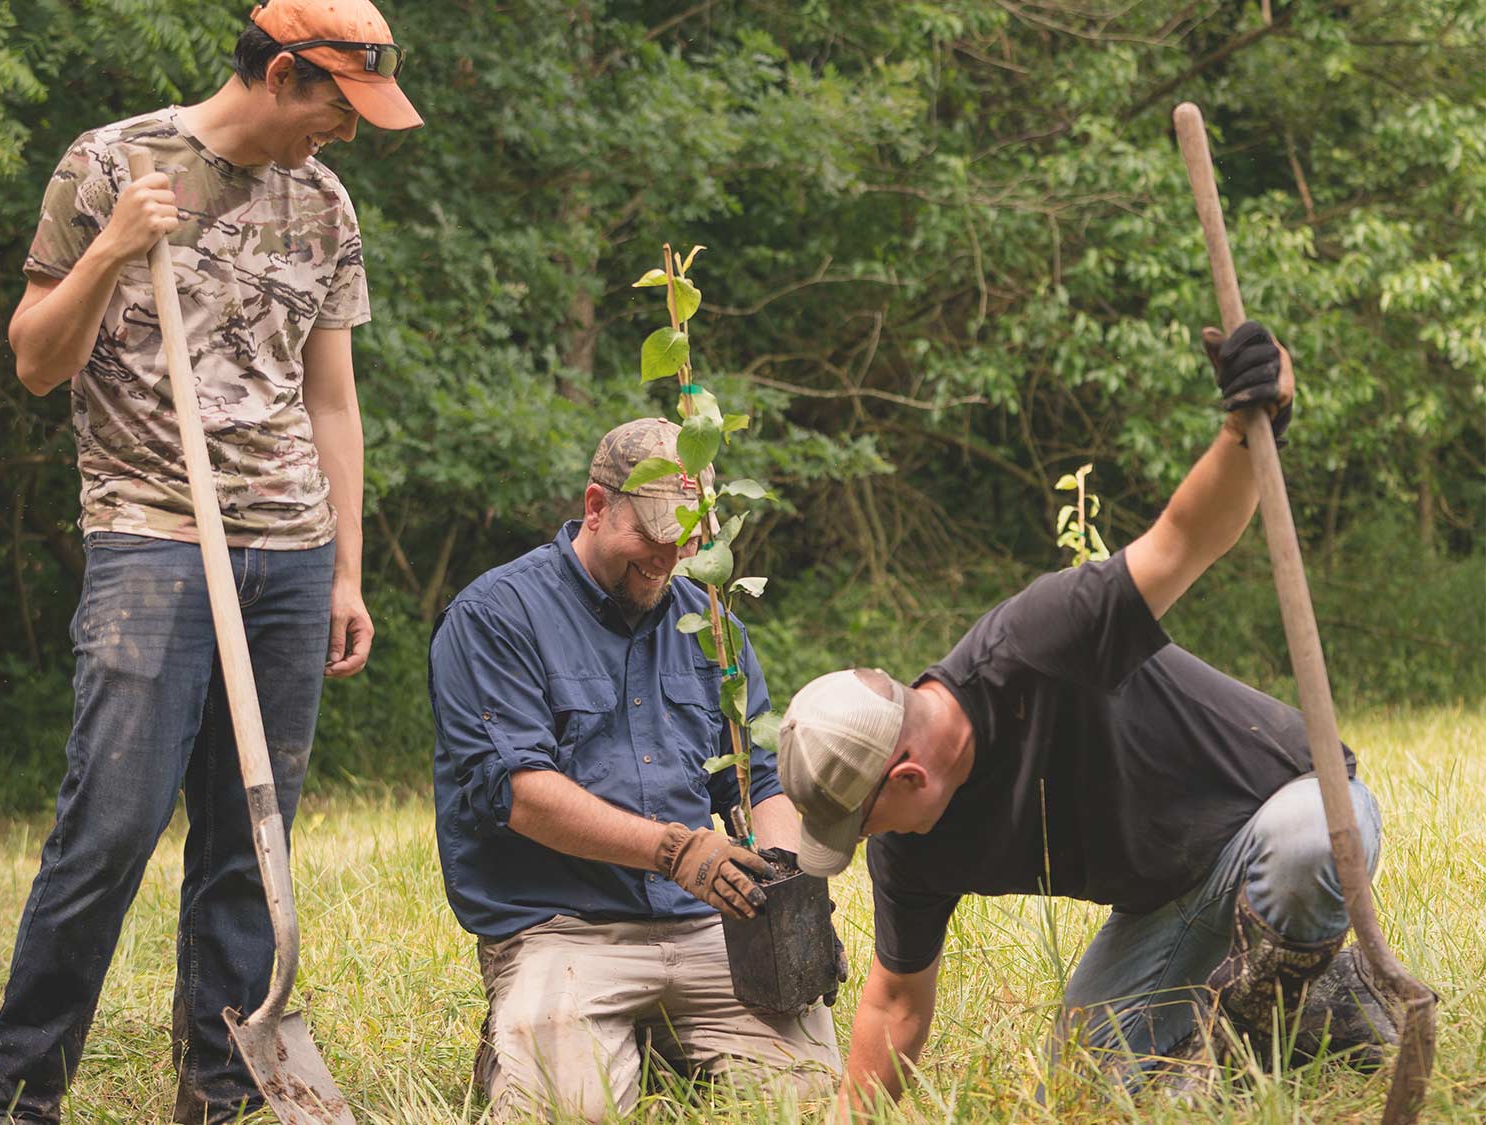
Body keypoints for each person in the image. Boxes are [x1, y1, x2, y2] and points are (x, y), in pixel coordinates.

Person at [777, 323, 1400, 1114]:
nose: (870, 845)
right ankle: (1296, 1006)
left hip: (1290, 811)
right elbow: (894, 1005)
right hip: (1171, 902)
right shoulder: (911, 848)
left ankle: (1288, 1003)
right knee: (1073, 1091)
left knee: (1305, 846)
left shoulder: (1036, 643)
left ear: (906, 774)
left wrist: (1251, 424)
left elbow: (1182, 541)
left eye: (864, 824)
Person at [0, 2, 421, 1121]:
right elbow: (35, 362)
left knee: (249, 839)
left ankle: (220, 1091)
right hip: (153, 540)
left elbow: (333, 400)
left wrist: (345, 569)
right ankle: (19, 1092)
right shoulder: (110, 165)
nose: (351, 131)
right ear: (282, 73)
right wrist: (116, 250)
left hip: (288, 549)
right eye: (339, 104)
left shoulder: (324, 202)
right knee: (112, 824)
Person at [430, 418, 841, 1121]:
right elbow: (521, 794)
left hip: (705, 927)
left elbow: (757, 777)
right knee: (569, 1111)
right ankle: (534, 1043)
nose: (669, 556)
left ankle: (651, 1045)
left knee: (808, 1101)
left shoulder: (714, 628)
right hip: (561, 930)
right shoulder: (496, 617)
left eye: (687, 539)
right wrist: (675, 850)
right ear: (596, 506)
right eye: (652, 536)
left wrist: (780, 878)